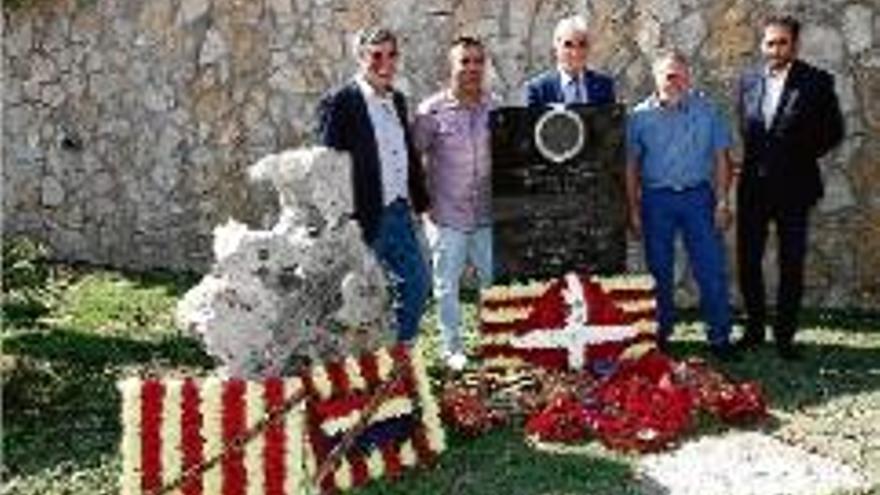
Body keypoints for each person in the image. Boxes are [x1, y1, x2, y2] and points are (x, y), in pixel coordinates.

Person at [735, 15, 844, 360]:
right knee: (748, 260)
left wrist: (795, 155)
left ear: (794, 45)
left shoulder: (816, 81)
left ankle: (785, 336)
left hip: (795, 187)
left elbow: (833, 131)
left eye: (783, 42)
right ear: (762, 45)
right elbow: (747, 126)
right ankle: (754, 330)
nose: (775, 49)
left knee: (791, 263)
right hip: (753, 188)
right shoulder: (748, 80)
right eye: (770, 42)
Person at [317, 27, 431, 345]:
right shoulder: (341, 101)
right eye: (375, 55)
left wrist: (421, 202)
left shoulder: (397, 100)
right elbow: (328, 165)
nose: (385, 63)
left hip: (398, 211)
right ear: (360, 57)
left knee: (418, 284)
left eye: (391, 55)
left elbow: (406, 152)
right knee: (357, 297)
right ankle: (358, 364)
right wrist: (341, 219)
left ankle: (399, 352)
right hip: (363, 217)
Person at [625, 49, 738, 361]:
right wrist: (633, 209)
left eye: (680, 75)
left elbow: (721, 158)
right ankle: (660, 334)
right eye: (668, 75)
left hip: (698, 199)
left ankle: (719, 337)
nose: (675, 81)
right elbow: (632, 166)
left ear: (688, 77)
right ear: (656, 78)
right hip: (656, 200)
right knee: (658, 271)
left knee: (710, 268)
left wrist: (723, 201)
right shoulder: (638, 117)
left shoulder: (708, 112)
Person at [413, 36, 496, 371]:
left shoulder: (495, 107)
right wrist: (424, 202)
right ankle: (452, 347)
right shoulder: (431, 111)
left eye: (478, 61)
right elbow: (412, 157)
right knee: (447, 285)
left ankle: (495, 340)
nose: (472, 68)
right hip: (447, 213)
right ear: (452, 66)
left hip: (487, 212)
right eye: (465, 61)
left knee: (492, 281)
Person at [525, 14, 615, 106]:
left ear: (588, 48)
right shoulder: (539, 89)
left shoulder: (604, 85)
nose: (575, 52)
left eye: (582, 45)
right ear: (556, 48)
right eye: (568, 45)